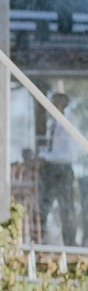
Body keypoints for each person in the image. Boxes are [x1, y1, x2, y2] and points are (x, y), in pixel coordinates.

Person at [40, 94, 80, 248]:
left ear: (62, 105)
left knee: (67, 209)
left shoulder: (69, 124)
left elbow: (70, 154)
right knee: (45, 205)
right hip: (50, 171)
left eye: (54, 103)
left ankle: (70, 244)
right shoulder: (54, 125)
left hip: (62, 171)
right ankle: (40, 240)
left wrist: (45, 156)